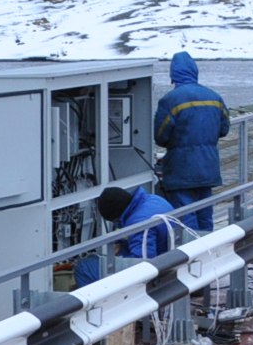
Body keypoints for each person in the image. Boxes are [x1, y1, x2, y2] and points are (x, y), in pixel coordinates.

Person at [155, 50, 230, 231]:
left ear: (173, 75)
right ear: (195, 72)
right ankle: (210, 252)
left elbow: (160, 136)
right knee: (205, 216)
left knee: (186, 218)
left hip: (180, 169)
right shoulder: (214, 97)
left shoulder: (170, 100)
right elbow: (224, 128)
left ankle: (191, 254)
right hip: (208, 167)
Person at [72, 184, 178, 286]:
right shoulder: (152, 199)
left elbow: (143, 264)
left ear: (117, 217)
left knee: (83, 267)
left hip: (160, 270)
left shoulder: (138, 223)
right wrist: (122, 245)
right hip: (171, 256)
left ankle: (108, 302)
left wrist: (118, 258)